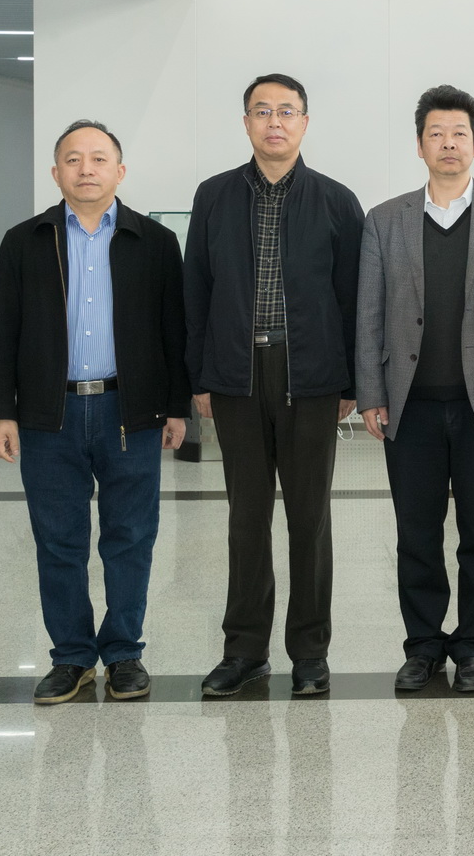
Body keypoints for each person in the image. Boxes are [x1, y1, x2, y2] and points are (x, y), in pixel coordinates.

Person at [0, 121, 189, 705]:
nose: (86, 169)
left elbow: (174, 329)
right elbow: (0, 329)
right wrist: (0, 410)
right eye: (73, 159)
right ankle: (71, 656)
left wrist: (176, 407)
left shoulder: (154, 241)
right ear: (56, 172)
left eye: (98, 158)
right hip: (50, 415)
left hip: (130, 411)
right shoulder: (24, 241)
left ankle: (123, 653)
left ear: (120, 171)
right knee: (58, 541)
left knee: (130, 537)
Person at [356, 86, 474, 694]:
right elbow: (369, 314)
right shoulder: (385, 220)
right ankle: (422, 646)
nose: (448, 143)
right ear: (420, 146)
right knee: (417, 533)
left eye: (459, 133)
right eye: (435, 134)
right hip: (408, 404)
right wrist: (370, 392)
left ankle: (473, 648)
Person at [185, 74, 364, 697]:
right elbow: (196, 289)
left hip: (310, 377)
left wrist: (351, 381)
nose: (274, 122)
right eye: (262, 111)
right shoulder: (214, 196)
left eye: (286, 111)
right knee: (246, 518)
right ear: (246, 123)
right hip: (235, 375)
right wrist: (200, 376)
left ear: (305, 123)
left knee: (309, 518)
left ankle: (310, 653)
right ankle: (244, 650)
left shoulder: (337, 201)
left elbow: (354, 298)